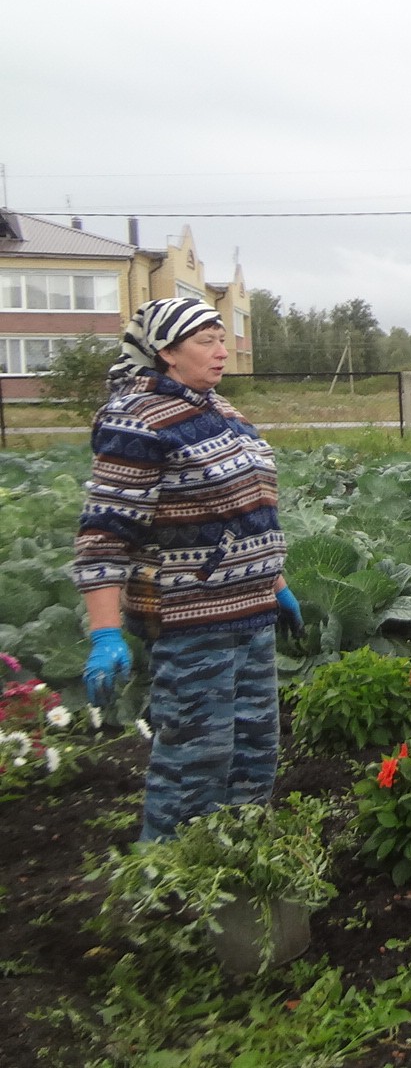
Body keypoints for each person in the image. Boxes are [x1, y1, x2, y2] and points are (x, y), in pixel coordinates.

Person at [72, 297, 302, 842]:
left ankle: (238, 862)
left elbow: (249, 510)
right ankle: (169, 875)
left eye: (222, 340)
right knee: (196, 761)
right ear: (168, 352)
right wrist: (105, 633)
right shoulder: (137, 419)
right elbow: (105, 532)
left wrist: (276, 584)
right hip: (190, 619)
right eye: (206, 341)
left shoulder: (220, 410)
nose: (222, 352)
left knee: (254, 752)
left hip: (251, 614)